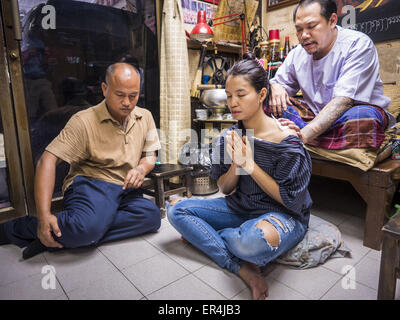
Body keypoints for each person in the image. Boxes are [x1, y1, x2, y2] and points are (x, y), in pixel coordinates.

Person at [167, 54, 312, 300]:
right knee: (176, 211)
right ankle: (241, 267)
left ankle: (207, 237)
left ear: (262, 95)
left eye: (241, 94)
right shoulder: (229, 138)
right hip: (240, 208)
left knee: (252, 243)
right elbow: (224, 188)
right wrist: (236, 165)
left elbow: (292, 201)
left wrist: (250, 164)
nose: (233, 102)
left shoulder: (287, 142)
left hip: (282, 213)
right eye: (229, 95)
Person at [0, 62, 162, 259]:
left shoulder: (145, 116)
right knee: (87, 228)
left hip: (124, 188)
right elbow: (47, 161)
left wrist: (141, 169)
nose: (127, 102)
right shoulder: (84, 121)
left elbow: (150, 155)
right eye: (120, 95)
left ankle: (65, 236)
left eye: (133, 95)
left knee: (151, 217)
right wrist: (43, 216)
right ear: (105, 89)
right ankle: (18, 229)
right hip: (92, 184)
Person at [269, 0, 394, 150]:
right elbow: (279, 84)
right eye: (299, 29)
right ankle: (325, 139)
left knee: (365, 119)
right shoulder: (297, 54)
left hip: (348, 117)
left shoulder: (358, 44)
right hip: (314, 117)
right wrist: (275, 86)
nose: (304, 36)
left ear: (332, 20)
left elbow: (344, 101)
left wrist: (304, 135)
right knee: (268, 104)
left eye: (311, 26)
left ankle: (299, 137)